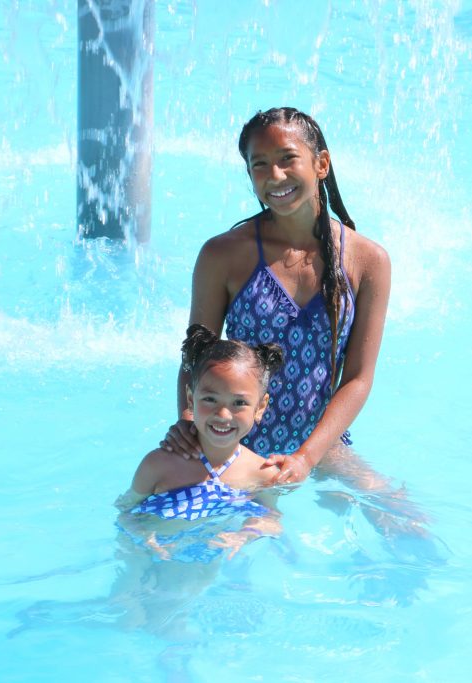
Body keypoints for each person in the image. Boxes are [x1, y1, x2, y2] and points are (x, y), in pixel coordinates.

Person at [160, 106, 391, 486]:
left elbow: (358, 379)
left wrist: (305, 457)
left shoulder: (368, 261)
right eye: (260, 165)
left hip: (320, 444)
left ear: (321, 164)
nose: (275, 176)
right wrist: (188, 423)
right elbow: (196, 355)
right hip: (229, 443)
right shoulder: (224, 255)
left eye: (288, 159)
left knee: (402, 520)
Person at [117, 323, 286, 560]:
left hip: (210, 562)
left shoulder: (263, 474)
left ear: (260, 407)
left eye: (239, 403)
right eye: (210, 399)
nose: (223, 415)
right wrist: (144, 536)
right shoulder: (158, 465)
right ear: (190, 399)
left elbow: (272, 519)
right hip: (151, 557)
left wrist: (244, 535)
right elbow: (125, 512)